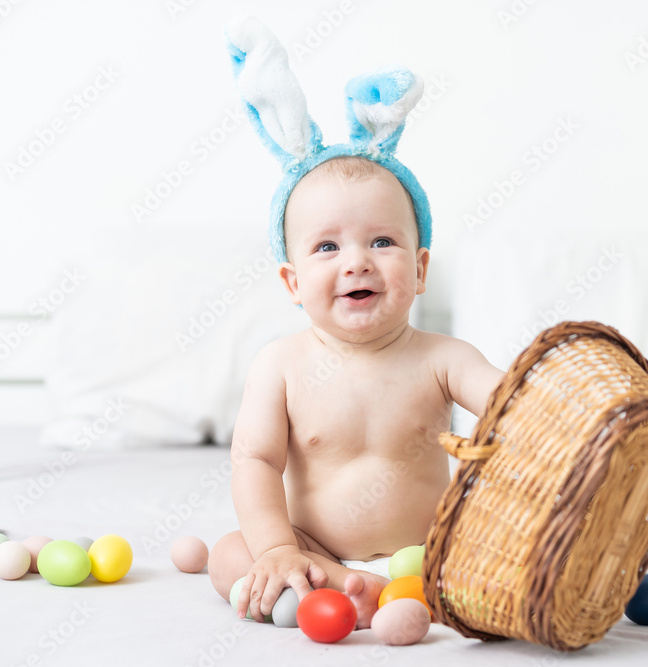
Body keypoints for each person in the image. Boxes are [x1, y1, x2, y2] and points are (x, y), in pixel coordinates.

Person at [209, 17, 505, 629]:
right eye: (326, 248)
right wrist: (277, 550)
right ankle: (345, 585)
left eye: (381, 241)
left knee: (503, 542)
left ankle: (407, 591)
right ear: (292, 283)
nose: (357, 263)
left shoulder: (444, 358)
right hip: (312, 552)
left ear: (420, 269)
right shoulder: (281, 365)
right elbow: (256, 463)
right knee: (229, 554)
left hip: (432, 553)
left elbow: (512, 406)